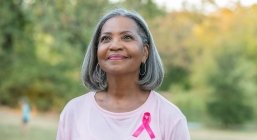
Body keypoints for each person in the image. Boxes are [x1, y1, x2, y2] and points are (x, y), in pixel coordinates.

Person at [56, 8, 190, 140]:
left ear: (145, 52)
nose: (114, 45)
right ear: (96, 52)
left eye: (127, 37)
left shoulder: (170, 118)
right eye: (106, 38)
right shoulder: (74, 112)